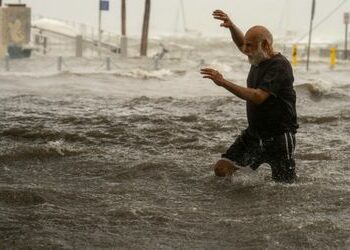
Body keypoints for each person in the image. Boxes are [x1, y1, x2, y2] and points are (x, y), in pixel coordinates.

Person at [200, 10, 298, 183]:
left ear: (266, 45)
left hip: (279, 137)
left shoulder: (280, 66)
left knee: (284, 188)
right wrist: (231, 26)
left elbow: (258, 96)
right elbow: (241, 43)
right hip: (254, 134)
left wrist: (223, 82)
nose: (245, 50)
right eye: (245, 45)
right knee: (222, 169)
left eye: (250, 46)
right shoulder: (257, 57)